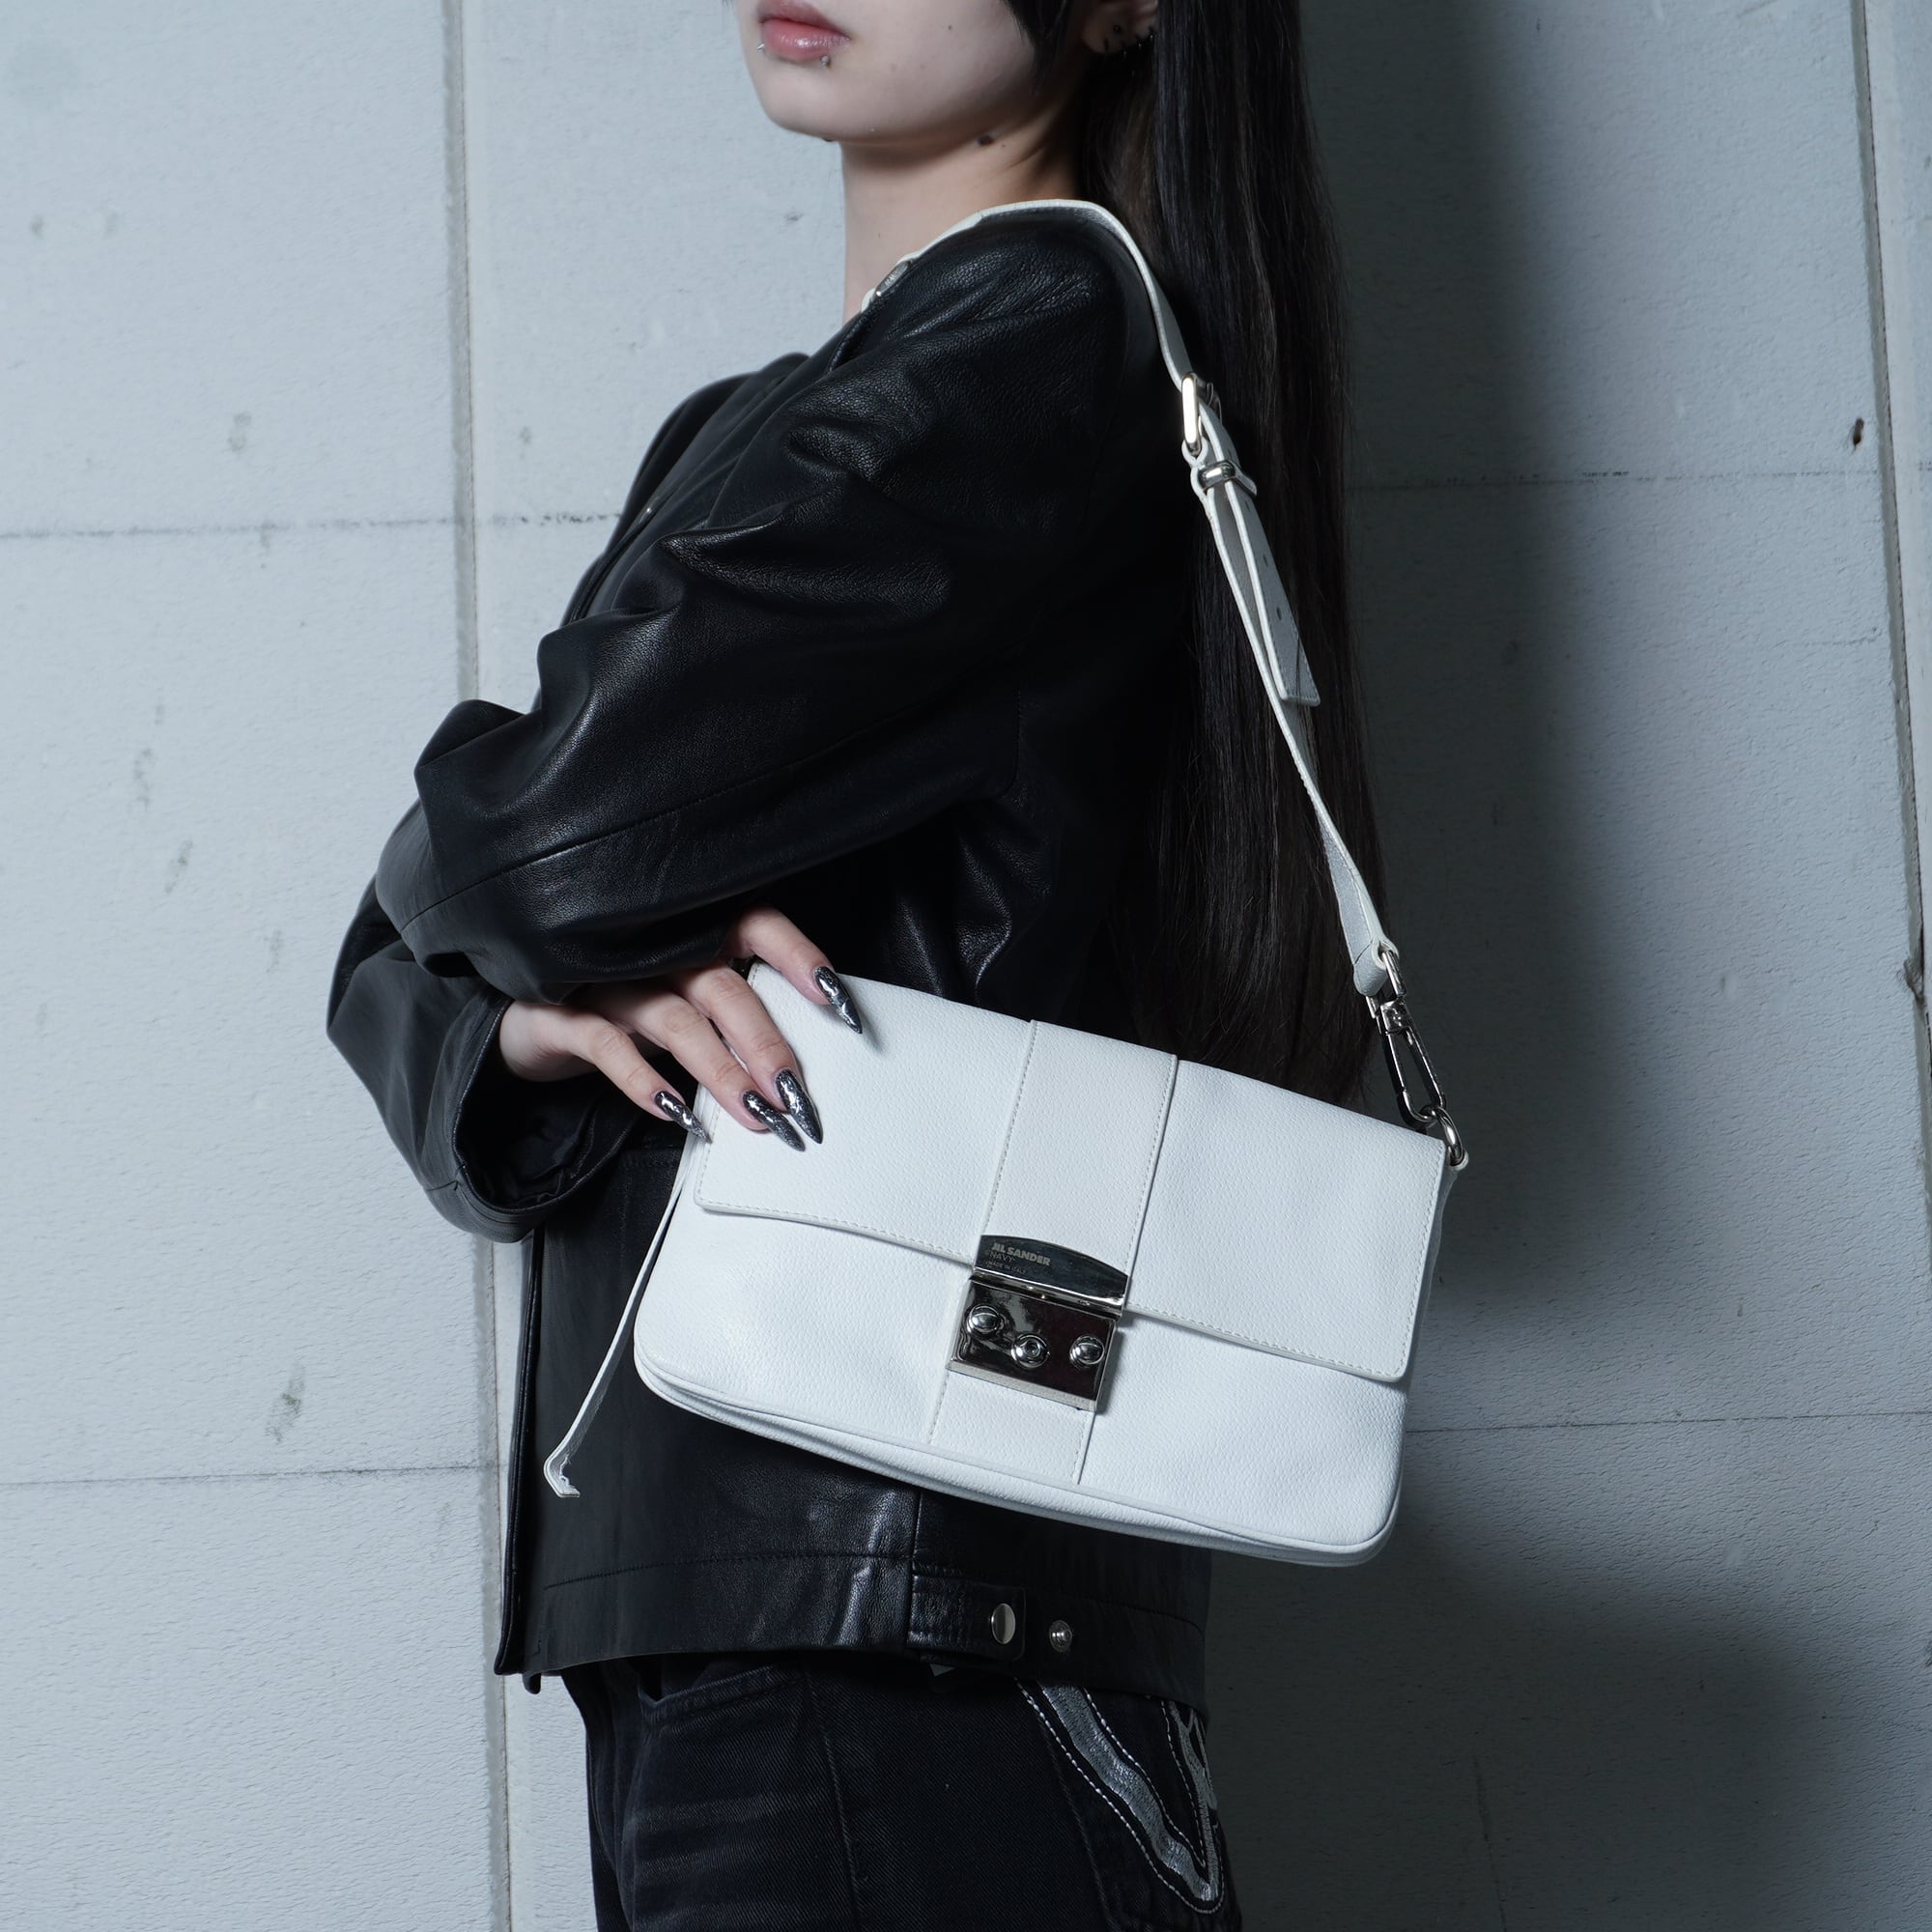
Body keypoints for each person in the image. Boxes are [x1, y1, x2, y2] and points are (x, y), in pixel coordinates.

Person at [327, 0, 1386, 1923]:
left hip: (894, 1652)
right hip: (765, 1637)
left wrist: (529, 901)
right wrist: (545, 1007)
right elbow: (406, 951)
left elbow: (515, 846)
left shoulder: (1041, 339)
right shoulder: (744, 430)